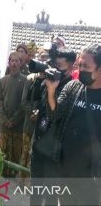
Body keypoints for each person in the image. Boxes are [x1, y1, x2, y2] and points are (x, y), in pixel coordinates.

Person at [45, 44, 101, 205]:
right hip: (66, 171)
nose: (81, 69)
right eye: (80, 65)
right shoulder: (73, 87)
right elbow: (55, 115)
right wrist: (51, 92)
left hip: (93, 177)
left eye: (86, 66)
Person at [30, 47, 76, 205]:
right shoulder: (48, 81)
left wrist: (53, 91)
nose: (55, 69)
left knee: (50, 197)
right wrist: (39, 80)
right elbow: (35, 100)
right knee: (35, 194)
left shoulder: (72, 89)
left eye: (60, 66)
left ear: (71, 67)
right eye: (54, 65)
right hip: (38, 147)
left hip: (54, 154)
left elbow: (59, 116)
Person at [0, 52, 27, 177]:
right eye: (12, 61)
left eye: (17, 61)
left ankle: (13, 171)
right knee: (3, 149)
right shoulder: (3, 81)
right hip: (4, 122)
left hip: (18, 124)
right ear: (9, 63)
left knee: (16, 149)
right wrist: (4, 118)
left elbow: (24, 103)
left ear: (20, 63)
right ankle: (3, 170)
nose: (14, 63)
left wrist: (13, 120)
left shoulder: (25, 80)